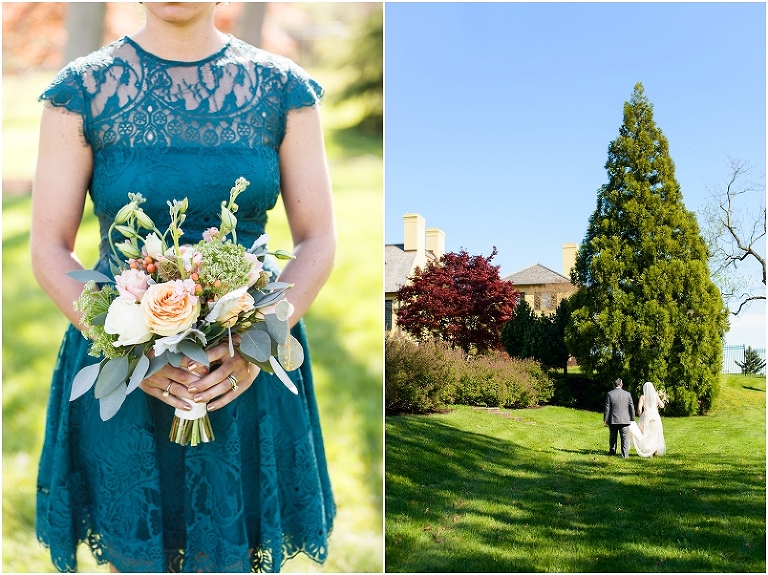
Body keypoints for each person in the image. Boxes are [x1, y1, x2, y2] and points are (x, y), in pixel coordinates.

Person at [30, 3, 336, 572]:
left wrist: (256, 345)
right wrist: (131, 355)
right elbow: (48, 247)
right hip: (123, 366)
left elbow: (318, 238)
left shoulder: (284, 90)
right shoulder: (81, 91)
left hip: (246, 366)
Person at [627, 381, 667, 457]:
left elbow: (639, 408)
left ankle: (649, 451)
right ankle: (655, 451)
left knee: (646, 434)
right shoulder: (655, 396)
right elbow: (662, 405)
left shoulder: (643, 397)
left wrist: (640, 415)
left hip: (646, 416)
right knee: (654, 433)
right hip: (655, 416)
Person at [603, 377, 635, 458]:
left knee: (613, 436)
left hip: (613, 419)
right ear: (622, 384)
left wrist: (606, 419)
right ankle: (624, 454)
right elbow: (631, 407)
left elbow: (607, 408)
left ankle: (612, 452)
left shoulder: (610, 394)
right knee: (624, 437)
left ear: (613, 385)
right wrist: (632, 418)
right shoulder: (627, 394)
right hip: (625, 419)